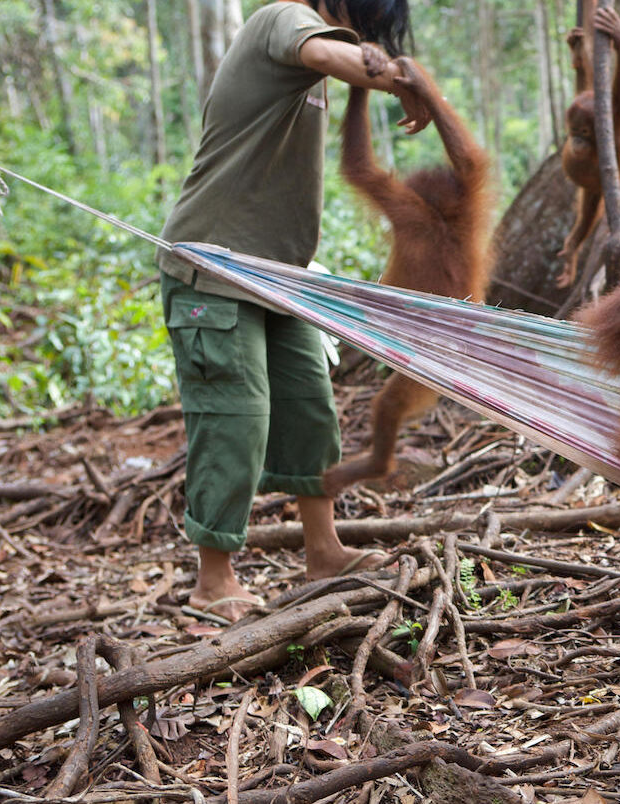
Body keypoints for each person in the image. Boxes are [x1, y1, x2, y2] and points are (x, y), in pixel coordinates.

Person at [156, 0, 429, 622]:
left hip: (282, 277)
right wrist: (396, 77)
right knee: (235, 417)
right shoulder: (283, 18)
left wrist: (389, 79)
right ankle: (212, 579)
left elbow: (346, 73)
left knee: (310, 406)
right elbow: (329, 54)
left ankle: (324, 550)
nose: (366, 38)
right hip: (211, 270)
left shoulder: (322, 71)